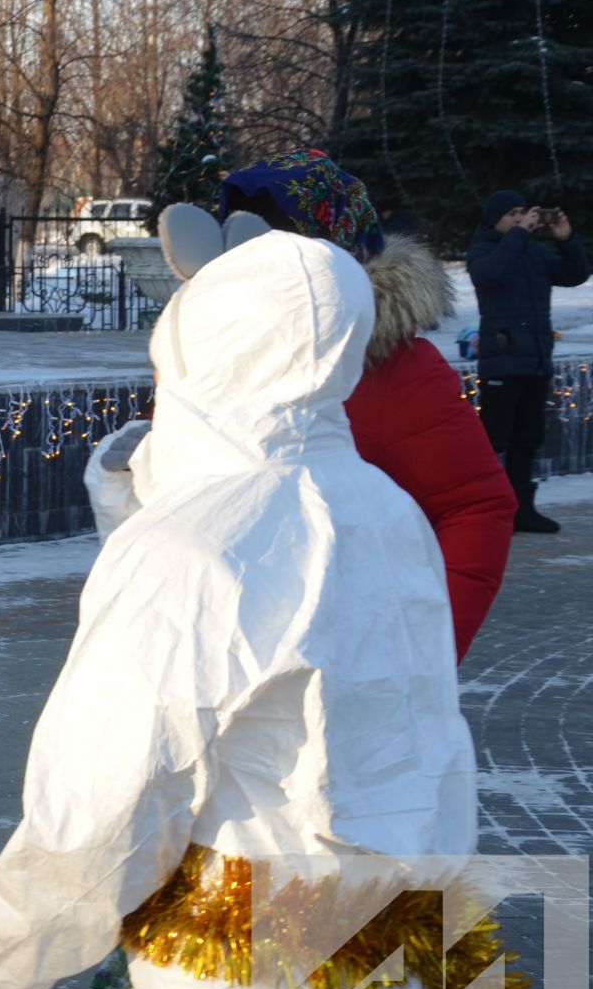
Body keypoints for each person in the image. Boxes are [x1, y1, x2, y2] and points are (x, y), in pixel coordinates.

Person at [0, 230, 481, 989]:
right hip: (390, 956)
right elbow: (431, 740)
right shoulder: (386, 511)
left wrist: (6, 962)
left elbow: (106, 799)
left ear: (203, 347)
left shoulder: (195, 549)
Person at [96, 150, 515, 660]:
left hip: (342, 655)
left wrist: (425, 646)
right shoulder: (208, 345)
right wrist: (137, 474)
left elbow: (474, 505)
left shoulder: (393, 367)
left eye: (274, 240)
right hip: (212, 650)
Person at [467, 189, 588, 533]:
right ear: (495, 220)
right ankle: (476, 509)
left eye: (523, 212)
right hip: (502, 361)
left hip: (535, 360)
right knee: (492, 440)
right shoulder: (483, 252)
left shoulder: (534, 252)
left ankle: (523, 510)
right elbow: (492, 275)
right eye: (512, 214)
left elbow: (575, 274)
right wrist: (519, 234)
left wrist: (565, 238)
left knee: (528, 438)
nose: (520, 219)